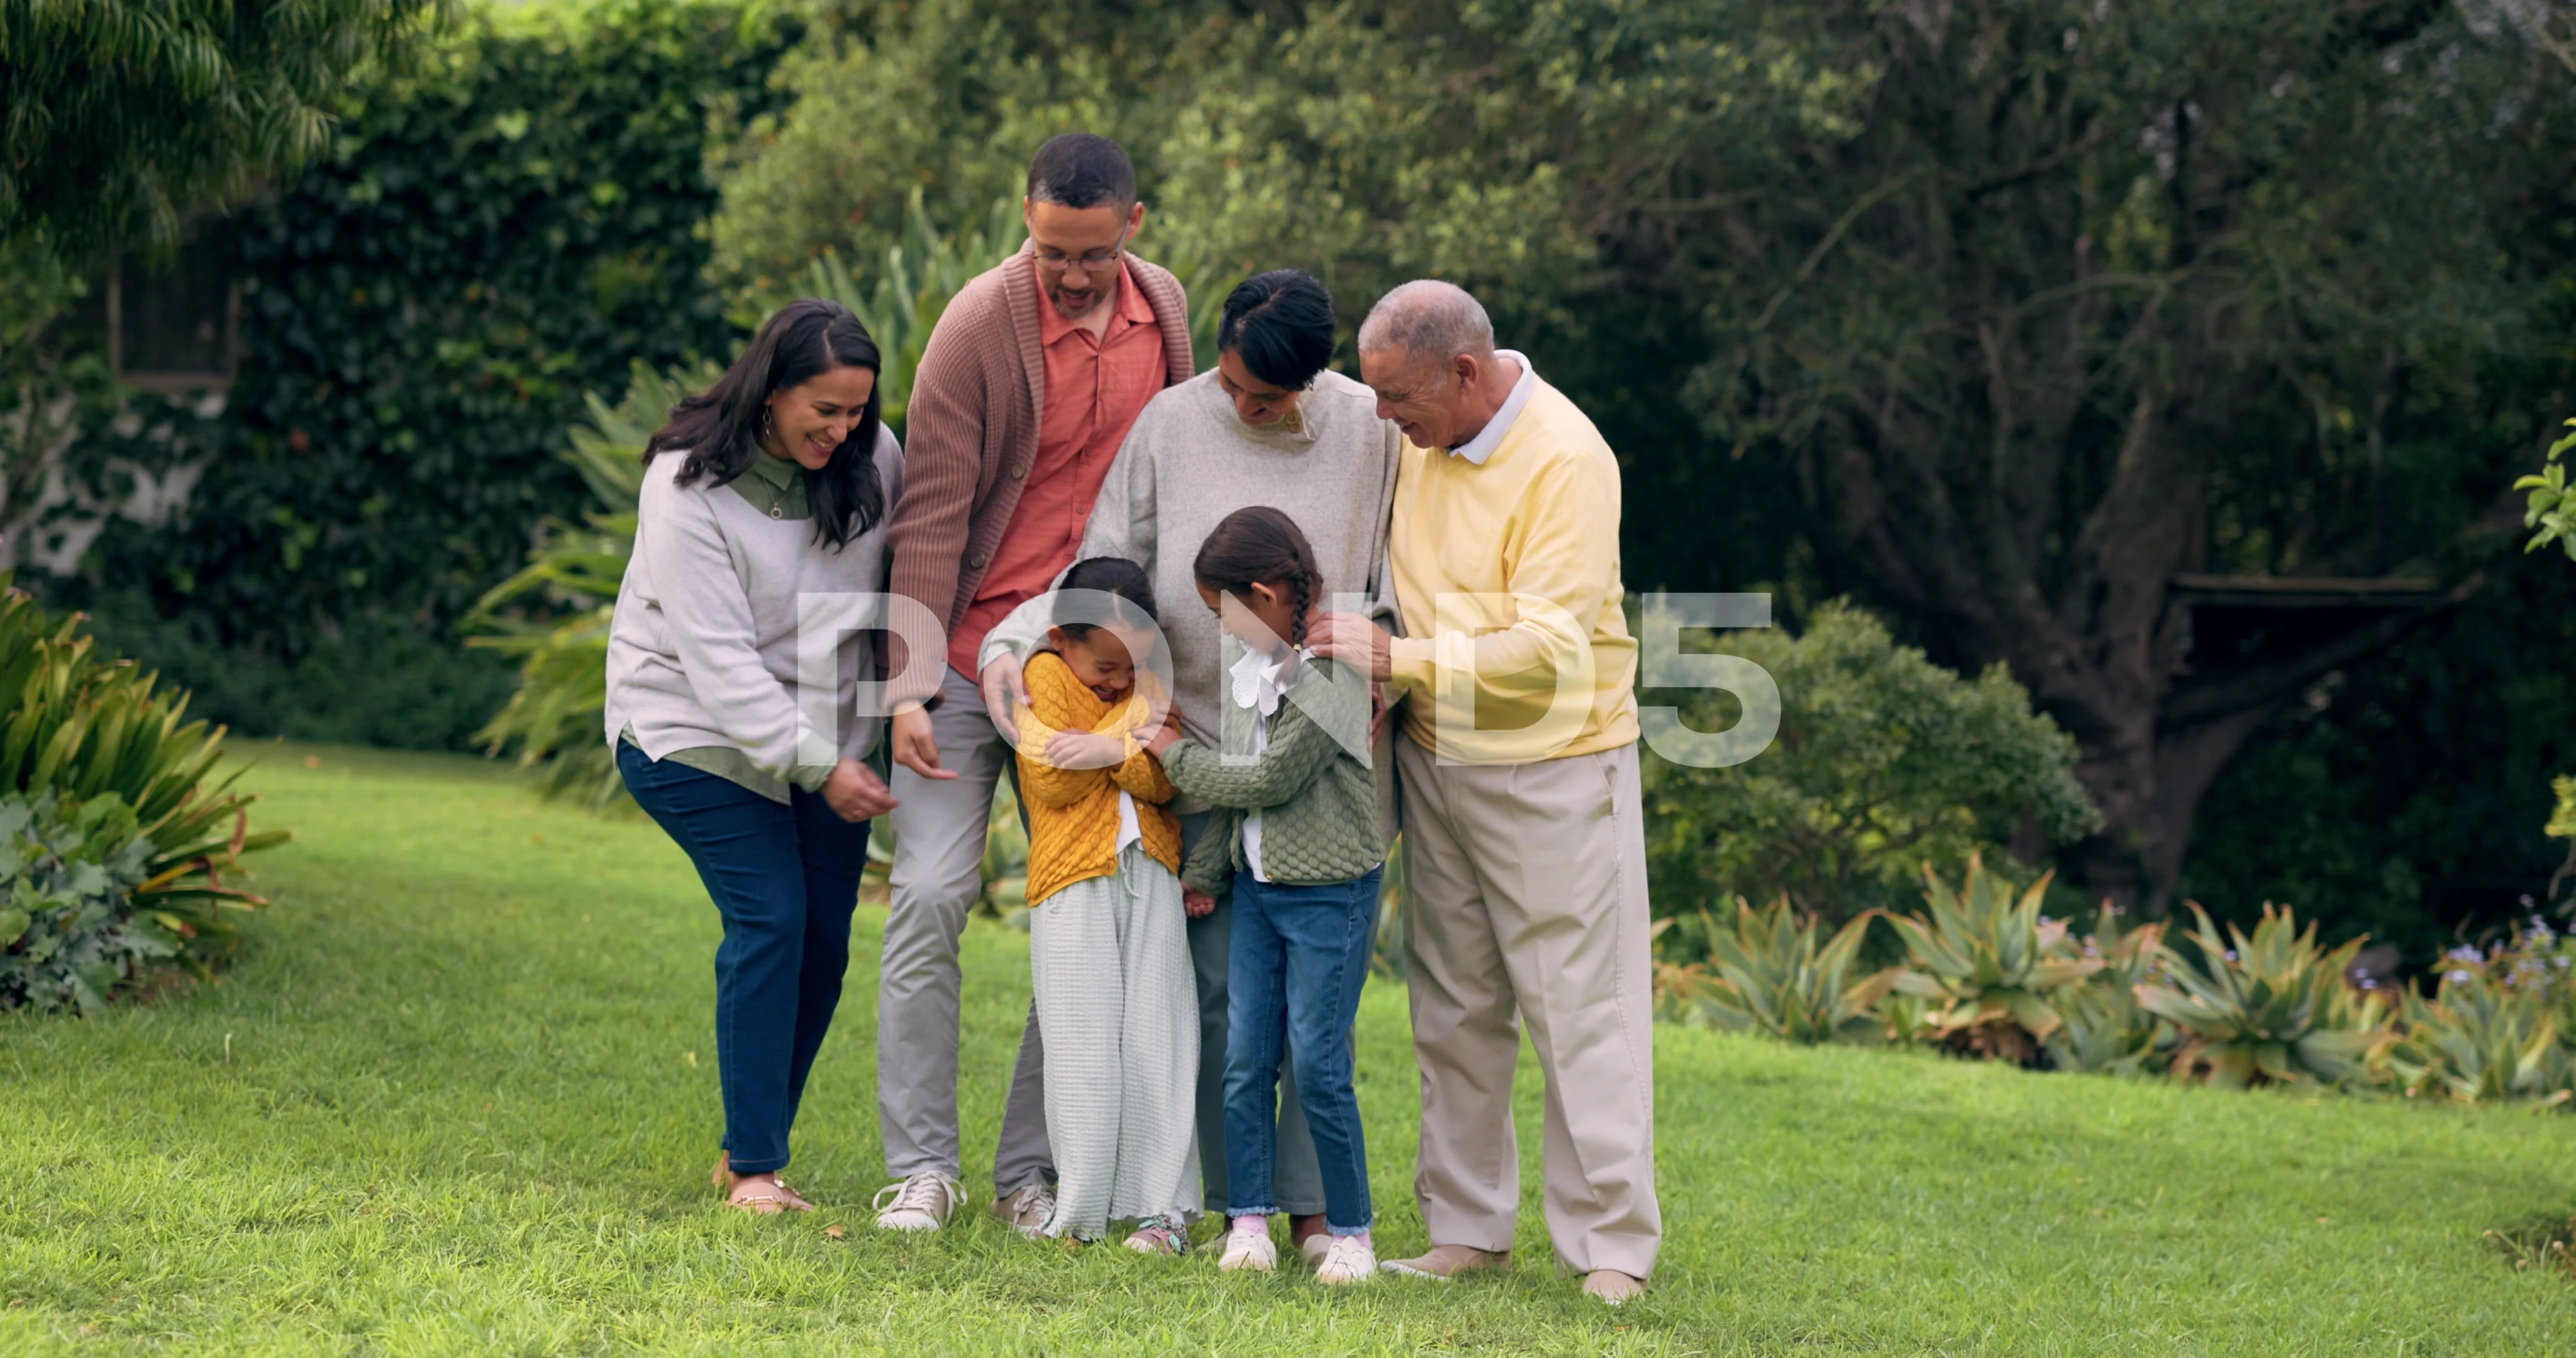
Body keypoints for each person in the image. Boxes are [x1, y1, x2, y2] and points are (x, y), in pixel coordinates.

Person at [977, 270, 1402, 1259]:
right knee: (1208, 995)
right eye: (1234, 384)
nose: (1243, 407)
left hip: (1315, 759)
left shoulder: (1368, 433)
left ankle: (1310, 1210)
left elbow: (1392, 583)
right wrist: (1019, 643)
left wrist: (1383, 674)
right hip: (1188, 750)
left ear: (1314, 378)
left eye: (1266, 398)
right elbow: (1106, 568)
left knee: (1310, 1011)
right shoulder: (1172, 425)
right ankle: (1213, 1196)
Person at [873, 132, 1197, 1234]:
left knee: (1084, 907)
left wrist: (1160, 674)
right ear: (1026, 214)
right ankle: (922, 1166)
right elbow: (930, 509)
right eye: (1051, 248)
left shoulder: (1170, 314)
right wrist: (910, 682)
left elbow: (1179, 482)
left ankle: (1030, 1170)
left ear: (1134, 227)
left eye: (1091, 255)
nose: (1069, 273)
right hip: (972, 658)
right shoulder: (977, 324)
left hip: (1095, 670)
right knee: (927, 895)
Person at [1313, 280, 1660, 1303]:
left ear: (1465, 372)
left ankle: (1612, 1250)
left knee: (1578, 1012)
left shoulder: (1566, 459)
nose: (1383, 419)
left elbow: (1547, 649)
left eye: (1398, 398)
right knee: (1455, 1008)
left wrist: (1395, 658)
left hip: (1555, 764)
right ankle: (1468, 1230)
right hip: (1440, 759)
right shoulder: (1424, 435)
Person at [604, 298, 904, 1214]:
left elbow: (905, 576)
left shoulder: (874, 457)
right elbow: (720, 663)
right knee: (772, 918)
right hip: (690, 726)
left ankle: (754, 1149)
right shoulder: (685, 485)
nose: (843, 429)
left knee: (822, 946)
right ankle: (753, 1170)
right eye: (824, 410)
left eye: (856, 410)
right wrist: (820, 764)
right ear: (771, 392)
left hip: (826, 735)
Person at [1145, 507, 1385, 1284]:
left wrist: (1173, 755)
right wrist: (1211, 872)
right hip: (1259, 893)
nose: (1226, 632)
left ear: (1265, 594)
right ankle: (1248, 1220)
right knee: (1246, 1060)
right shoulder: (1258, 673)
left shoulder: (1333, 672)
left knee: (1317, 1064)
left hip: (1330, 897)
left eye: (1227, 615)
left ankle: (1350, 1232)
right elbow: (1242, 794)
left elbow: (1271, 780)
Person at [1010, 556, 1201, 1249]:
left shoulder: (1145, 679)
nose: (1122, 681)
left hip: (1150, 867)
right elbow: (1053, 781)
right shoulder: (1043, 677)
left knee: (1159, 1035)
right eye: (1106, 669)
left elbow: (1165, 782)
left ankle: (1161, 1211)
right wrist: (1131, 731)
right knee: (1082, 1042)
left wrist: (1098, 745)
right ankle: (1082, 1211)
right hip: (1070, 877)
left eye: (1134, 667)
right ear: (1061, 640)